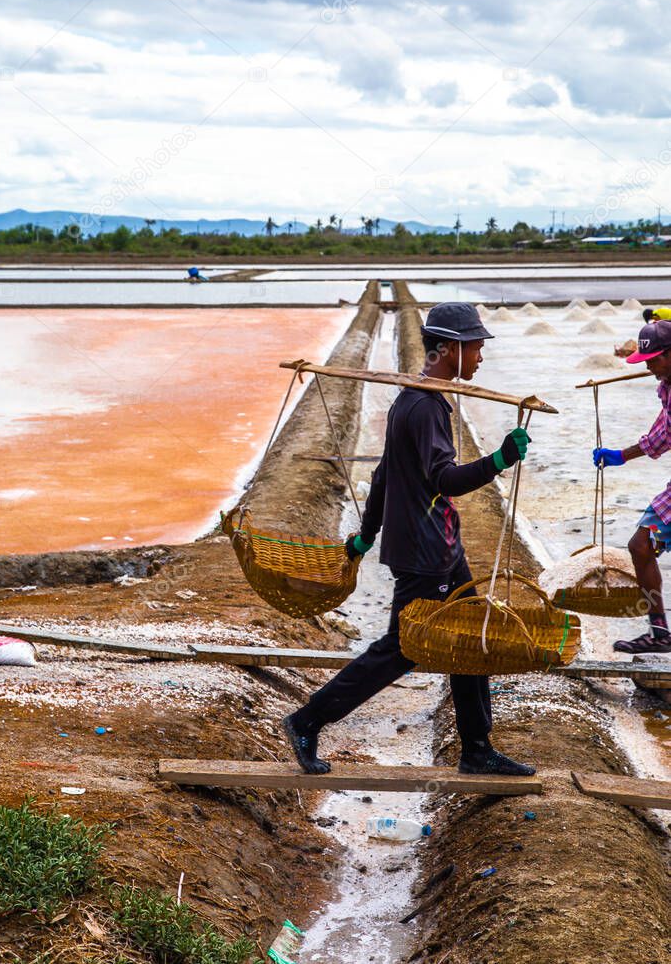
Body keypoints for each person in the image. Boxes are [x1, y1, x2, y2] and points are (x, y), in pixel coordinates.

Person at [284, 302, 536, 776]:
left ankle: (477, 748)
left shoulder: (415, 399)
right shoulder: (423, 408)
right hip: (426, 553)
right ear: (448, 349)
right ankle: (308, 719)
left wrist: (365, 534)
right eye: (476, 346)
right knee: (403, 648)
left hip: (438, 546)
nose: (481, 355)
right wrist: (499, 460)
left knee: (468, 635)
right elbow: (446, 479)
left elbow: (383, 475)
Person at [593, 318, 671, 654]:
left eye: (654, 360)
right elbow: (662, 434)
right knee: (642, 546)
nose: (651, 368)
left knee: (641, 545)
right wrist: (620, 456)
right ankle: (660, 633)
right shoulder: (667, 387)